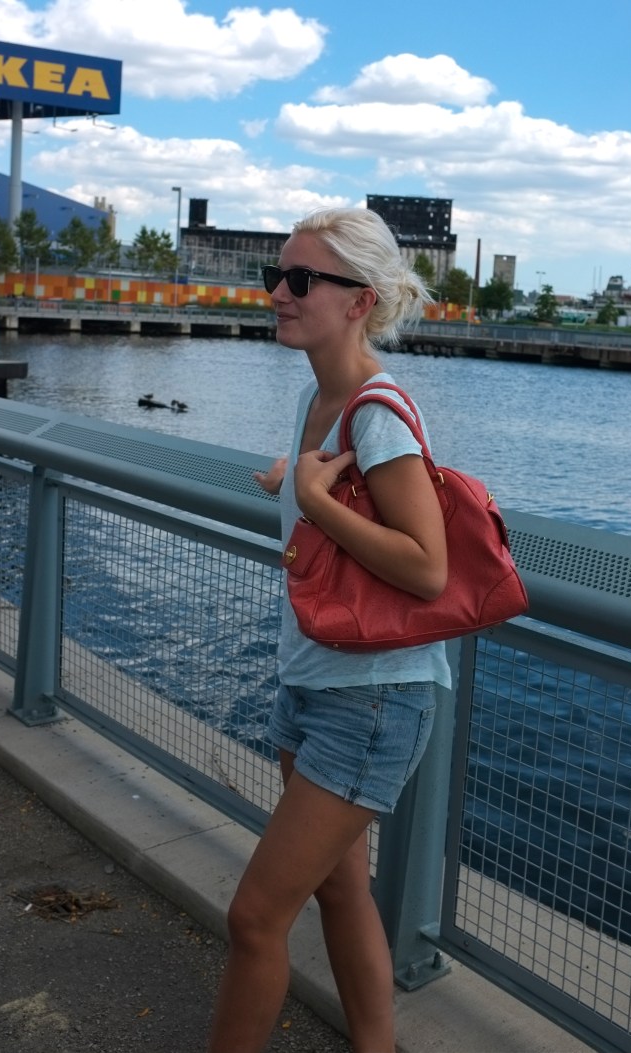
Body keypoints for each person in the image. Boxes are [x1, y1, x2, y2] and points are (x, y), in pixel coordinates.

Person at [207, 207, 451, 1053]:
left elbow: (428, 566)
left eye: (301, 279)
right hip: (312, 677)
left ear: (360, 301)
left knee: (254, 916)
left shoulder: (380, 412)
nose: (279, 292)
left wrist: (311, 499)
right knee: (339, 890)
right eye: (275, 275)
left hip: (372, 697)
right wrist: (296, 480)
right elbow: (338, 490)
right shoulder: (319, 399)